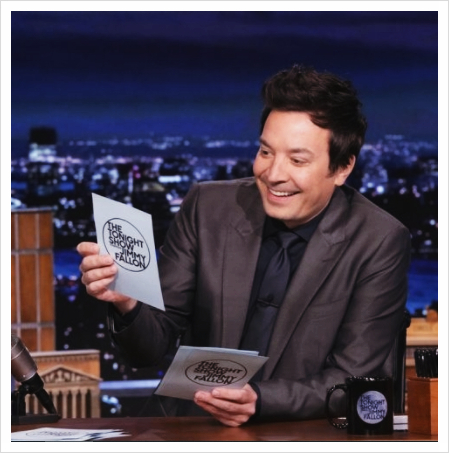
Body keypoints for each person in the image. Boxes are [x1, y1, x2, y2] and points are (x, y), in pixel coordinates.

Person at [77, 65, 410, 427]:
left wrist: (260, 401)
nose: (274, 174)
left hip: (296, 434)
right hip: (191, 426)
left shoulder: (378, 240)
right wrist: (127, 303)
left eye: (297, 160)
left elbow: (355, 379)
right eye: (266, 152)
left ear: (342, 168)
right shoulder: (208, 207)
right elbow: (149, 350)